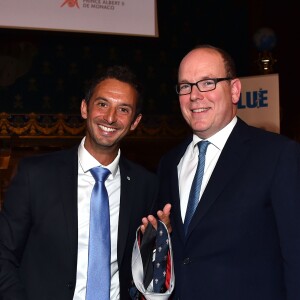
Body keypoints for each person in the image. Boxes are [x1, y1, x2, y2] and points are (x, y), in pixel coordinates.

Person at [143, 44, 300, 300]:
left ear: (235, 90)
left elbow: (296, 256)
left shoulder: (278, 155)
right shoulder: (169, 163)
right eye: (185, 86)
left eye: (207, 83)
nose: (194, 95)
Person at [0, 65, 159, 300]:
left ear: (135, 121)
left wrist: (158, 239)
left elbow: (143, 270)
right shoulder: (35, 175)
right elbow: (3, 254)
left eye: (123, 109)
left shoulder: (146, 185)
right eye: (102, 104)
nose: (111, 117)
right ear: (85, 108)